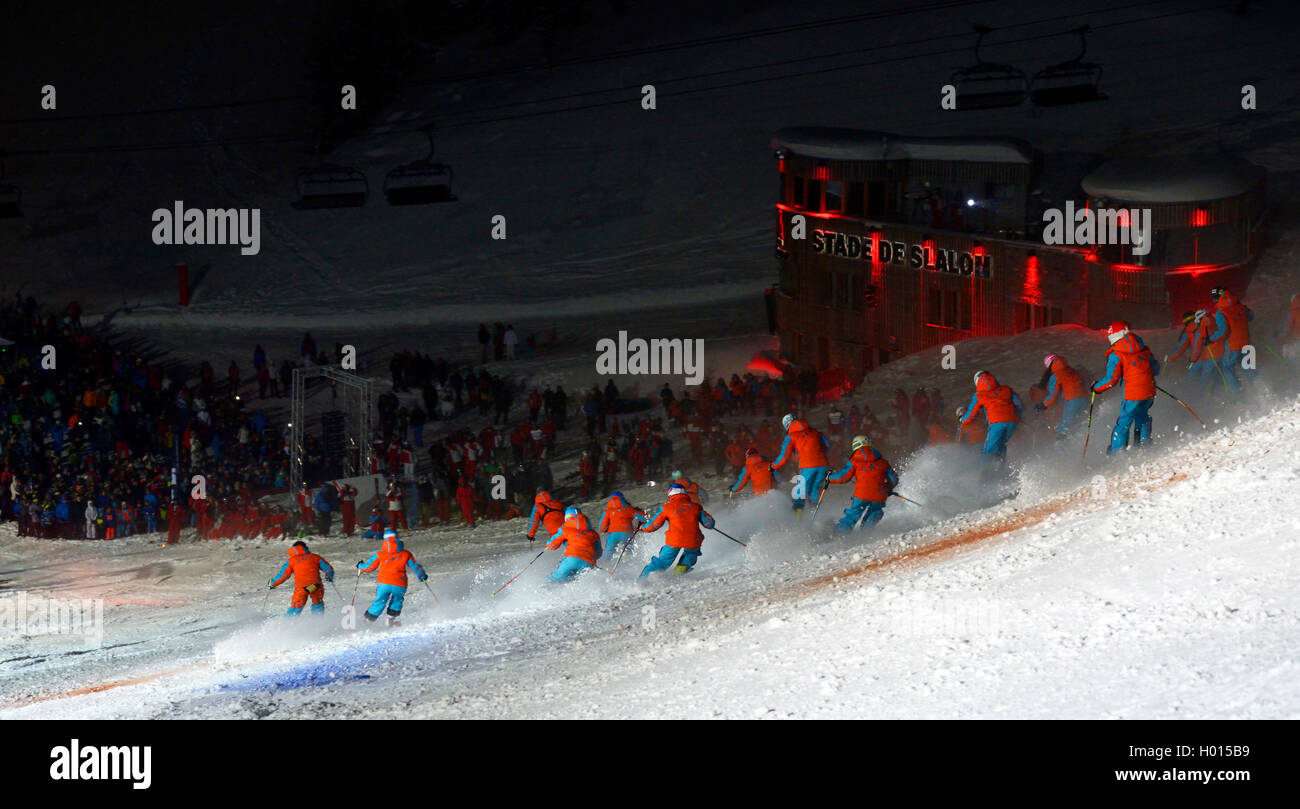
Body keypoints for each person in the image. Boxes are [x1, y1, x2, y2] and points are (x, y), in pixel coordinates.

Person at [1091, 321, 1160, 454]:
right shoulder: (1144, 348)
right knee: (1142, 416)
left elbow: (1111, 380)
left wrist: (1096, 388)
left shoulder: (1116, 353)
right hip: (1149, 390)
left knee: (1124, 421)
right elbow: (1155, 369)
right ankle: (1143, 445)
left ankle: (1118, 451)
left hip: (1133, 393)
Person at [638, 484, 716, 579]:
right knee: (690, 554)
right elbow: (709, 524)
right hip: (693, 539)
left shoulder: (666, 507)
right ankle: (678, 575)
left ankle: (644, 579)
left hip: (674, 540)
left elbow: (653, 525)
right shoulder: (696, 507)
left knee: (663, 561)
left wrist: (642, 527)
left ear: (670, 493)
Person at [827, 435, 898, 533]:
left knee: (852, 516)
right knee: (875, 511)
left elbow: (843, 477)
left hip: (862, 494)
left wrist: (829, 478)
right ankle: (865, 535)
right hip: (879, 495)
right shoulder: (882, 461)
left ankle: (839, 535)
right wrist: (887, 489)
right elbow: (893, 479)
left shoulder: (855, 460)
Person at [356, 530, 428, 626]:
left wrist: (360, 566)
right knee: (397, 599)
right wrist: (422, 576)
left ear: (385, 540)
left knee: (380, 601)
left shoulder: (380, 553)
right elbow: (416, 567)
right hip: (400, 583)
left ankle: (368, 621)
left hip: (384, 583)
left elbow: (369, 567)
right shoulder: (406, 554)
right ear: (397, 538)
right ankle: (390, 620)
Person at [771, 413, 832, 515]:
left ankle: (797, 518)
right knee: (814, 491)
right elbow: (827, 444)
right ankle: (816, 515)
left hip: (808, 466)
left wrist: (773, 466)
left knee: (799, 493)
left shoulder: (791, 436)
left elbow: (784, 456)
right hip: (822, 465)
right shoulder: (814, 431)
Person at [958, 371, 1022, 462]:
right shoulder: (1006, 389)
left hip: (996, 423)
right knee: (1001, 444)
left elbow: (970, 415)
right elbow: (1018, 404)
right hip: (1012, 422)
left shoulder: (979, 396)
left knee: (988, 450)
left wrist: (962, 419)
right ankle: (1002, 468)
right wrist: (1017, 416)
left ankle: (984, 473)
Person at [268, 541, 335, 617]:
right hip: (315, 585)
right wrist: (329, 576)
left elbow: (283, 576)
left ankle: (288, 623)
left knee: (297, 605)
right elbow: (328, 569)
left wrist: (272, 584)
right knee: (317, 602)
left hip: (302, 588)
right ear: (305, 548)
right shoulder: (315, 557)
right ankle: (317, 621)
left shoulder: (291, 561)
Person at [1206, 286, 1254, 390]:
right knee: (1248, 368)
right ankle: (1259, 388)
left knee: (1227, 367)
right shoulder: (1240, 306)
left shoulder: (1221, 312)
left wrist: (1210, 339)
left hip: (1233, 345)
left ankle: (1237, 392)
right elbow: (1251, 316)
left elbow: (1223, 332)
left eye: (1214, 298)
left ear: (1219, 298)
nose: (1214, 301)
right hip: (1247, 343)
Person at [547, 508, 603, 582]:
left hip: (571, 559)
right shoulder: (593, 534)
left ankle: (545, 590)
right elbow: (598, 553)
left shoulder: (565, 529)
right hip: (588, 562)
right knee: (578, 583)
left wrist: (549, 545)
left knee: (556, 579)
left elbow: (552, 544)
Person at [1040, 354, 1089, 438]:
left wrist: (1044, 405)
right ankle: (1079, 439)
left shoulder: (1056, 375)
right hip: (1084, 398)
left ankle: (1061, 443)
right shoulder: (1071, 370)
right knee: (1079, 421)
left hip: (1072, 400)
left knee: (1066, 424)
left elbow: (1053, 395)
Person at [599, 492, 645, 558]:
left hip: (612, 534)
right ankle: (630, 563)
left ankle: (605, 564)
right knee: (629, 549)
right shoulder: (629, 509)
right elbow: (643, 517)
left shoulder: (608, 511)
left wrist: (605, 529)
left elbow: (602, 527)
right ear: (623, 499)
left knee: (608, 551)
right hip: (627, 532)